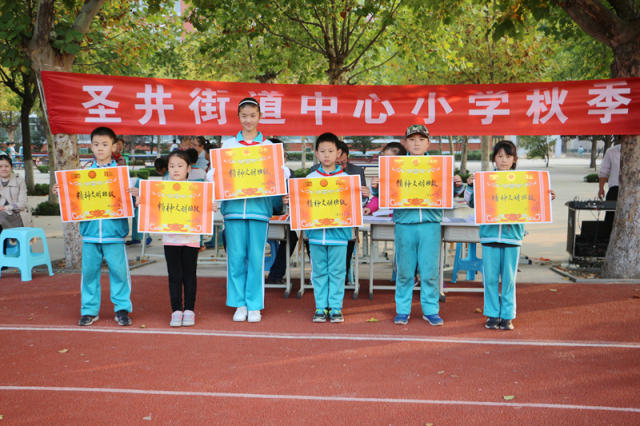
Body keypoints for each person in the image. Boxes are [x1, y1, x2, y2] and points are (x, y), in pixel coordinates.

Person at [374, 124, 464, 326]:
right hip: (405, 224)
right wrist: (377, 188)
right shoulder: (394, 166)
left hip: (430, 224)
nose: (416, 143)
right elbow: (384, 197)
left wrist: (457, 185)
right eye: (412, 139)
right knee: (404, 271)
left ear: (428, 143)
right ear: (405, 143)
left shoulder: (438, 166)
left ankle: (430, 309)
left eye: (421, 139)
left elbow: (449, 195)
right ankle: (402, 310)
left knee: (429, 270)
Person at [464, 140, 556, 330]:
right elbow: (472, 203)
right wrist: (471, 186)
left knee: (508, 279)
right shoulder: (485, 180)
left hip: (512, 237)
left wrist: (546, 197)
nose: (503, 160)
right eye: (499, 156)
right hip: (489, 237)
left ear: (514, 159)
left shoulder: (524, 182)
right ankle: (491, 315)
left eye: (507, 156)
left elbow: (535, 202)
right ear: (494, 159)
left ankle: (507, 315)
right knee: (489, 278)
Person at [54, 127, 135, 327]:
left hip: (114, 233)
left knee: (119, 272)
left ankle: (122, 309)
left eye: (105, 144)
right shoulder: (82, 173)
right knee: (89, 274)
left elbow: (129, 200)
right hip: (89, 233)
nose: (100, 148)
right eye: (96, 144)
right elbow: (74, 200)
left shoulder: (120, 173)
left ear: (114, 146)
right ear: (90, 146)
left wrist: (135, 194)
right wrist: (61, 192)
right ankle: (89, 310)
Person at [215, 97, 276, 323]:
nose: (248, 120)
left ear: (259, 117)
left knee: (256, 257)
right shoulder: (228, 146)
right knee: (236, 257)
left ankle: (255, 304)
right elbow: (217, 174)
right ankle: (239, 303)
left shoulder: (269, 147)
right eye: (244, 116)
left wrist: (283, 174)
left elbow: (278, 175)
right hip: (232, 210)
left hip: (259, 210)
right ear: (238, 118)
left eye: (252, 115)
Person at [303, 133, 369, 323]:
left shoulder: (348, 179)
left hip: (339, 235)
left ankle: (336, 308)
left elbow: (355, 205)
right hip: (315, 235)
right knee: (319, 272)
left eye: (331, 151)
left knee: (338, 272)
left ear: (339, 153)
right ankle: (320, 307)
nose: (326, 155)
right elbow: (304, 205)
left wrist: (364, 195)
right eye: (322, 151)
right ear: (316, 153)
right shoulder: (310, 178)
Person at [158, 151, 203, 327]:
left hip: (191, 238)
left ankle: (189, 310)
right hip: (170, 238)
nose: (175, 170)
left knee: (189, 275)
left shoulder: (198, 190)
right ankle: (176, 310)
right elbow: (153, 210)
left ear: (188, 169)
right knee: (174, 275)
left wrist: (210, 206)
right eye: (171, 166)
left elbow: (204, 208)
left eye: (180, 166)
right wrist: (142, 200)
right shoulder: (161, 190)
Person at [364, 142, 406, 215]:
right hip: (395, 219)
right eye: (384, 158)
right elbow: (380, 197)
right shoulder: (385, 176)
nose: (386, 162)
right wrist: (369, 208)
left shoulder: (410, 174)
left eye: (390, 159)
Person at [0, 154, 31, 235]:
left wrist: (4, 208)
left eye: (6, 166)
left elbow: (22, 204)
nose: (3, 169)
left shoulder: (19, 180)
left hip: (18, 215)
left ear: (11, 167)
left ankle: (5, 245)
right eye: (0, 166)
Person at [598, 142, 621, 235]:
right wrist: (601, 188)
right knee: (610, 219)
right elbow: (604, 171)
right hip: (615, 190)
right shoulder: (612, 151)